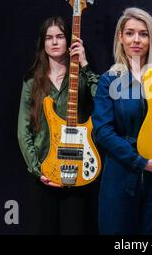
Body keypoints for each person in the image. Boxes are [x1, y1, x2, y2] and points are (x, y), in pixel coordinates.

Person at [91, 7, 152, 234]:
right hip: (121, 175)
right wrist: (141, 162)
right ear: (120, 37)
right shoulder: (109, 80)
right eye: (130, 33)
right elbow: (103, 132)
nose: (136, 40)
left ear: (151, 38)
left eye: (143, 34)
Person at [17, 16, 99, 234]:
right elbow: (22, 130)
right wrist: (37, 170)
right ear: (43, 43)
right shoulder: (31, 82)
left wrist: (85, 64)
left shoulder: (82, 78)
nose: (54, 42)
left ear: (69, 41)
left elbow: (103, 100)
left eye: (60, 37)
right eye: (49, 38)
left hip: (78, 168)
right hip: (44, 170)